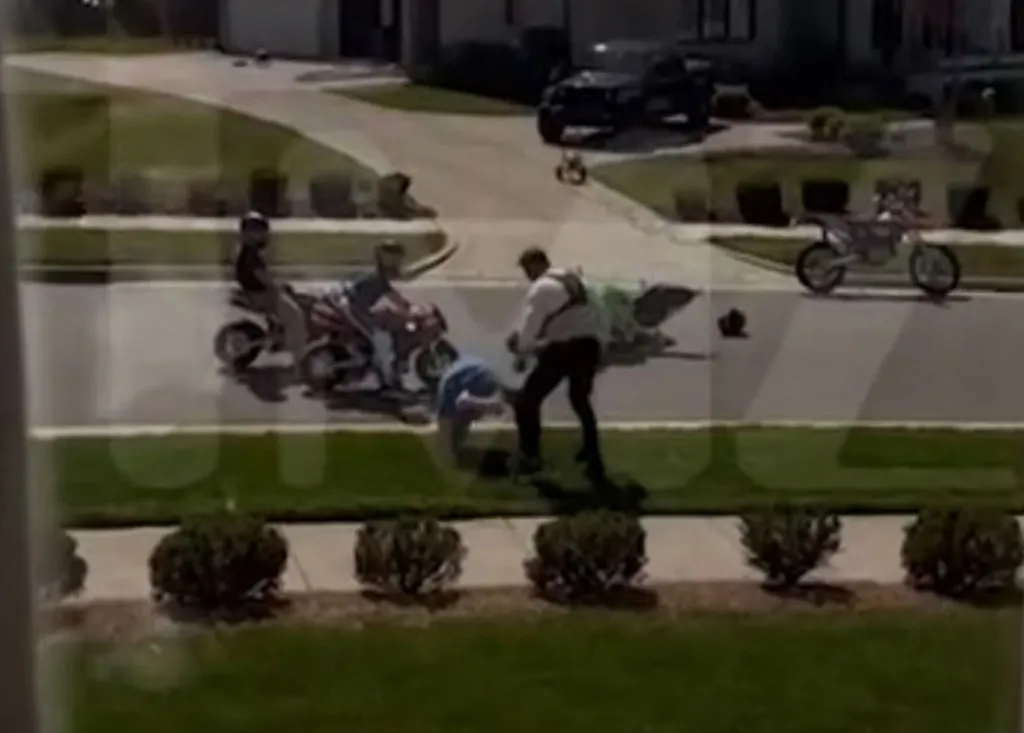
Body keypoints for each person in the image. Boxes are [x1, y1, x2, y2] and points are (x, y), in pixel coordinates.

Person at [507, 247, 606, 480]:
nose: (526, 275)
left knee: (527, 401)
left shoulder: (541, 288)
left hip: (565, 349)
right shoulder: (573, 277)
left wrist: (520, 350)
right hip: (590, 346)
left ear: (535, 264)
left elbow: (529, 329)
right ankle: (591, 450)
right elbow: (597, 310)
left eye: (526, 269)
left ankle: (530, 457)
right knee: (579, 398)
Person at [232, 211, 307, 365]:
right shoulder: (250, 255)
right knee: (297, 316)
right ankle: (300, 357)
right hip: (262, 295)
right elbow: (262, 277)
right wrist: (278, 287)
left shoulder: (248, 251)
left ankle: (279, 333)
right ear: (249, 233)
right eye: (259, 231)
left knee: (300, 300)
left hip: (260, 292)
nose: (264, 235)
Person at [338, 239, 413, 393]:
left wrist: (405, 304)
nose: (399, 261)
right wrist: (378, 316)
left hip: (356, 305)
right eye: (396, 257)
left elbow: (389, 292)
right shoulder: (376, 275)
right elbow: (362, 303)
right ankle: (386, 383)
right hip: (353, 309)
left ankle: (385, 375)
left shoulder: (382, 273)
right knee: (381, 342)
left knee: (386, 330)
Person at [434, 355, 510, 464]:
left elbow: (463, 403)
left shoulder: (484, 383)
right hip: (462, 377)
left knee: (451, 448)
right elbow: (463, 402)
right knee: (451, 448)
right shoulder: (453, 395)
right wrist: (488, 406)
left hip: (463, 374)